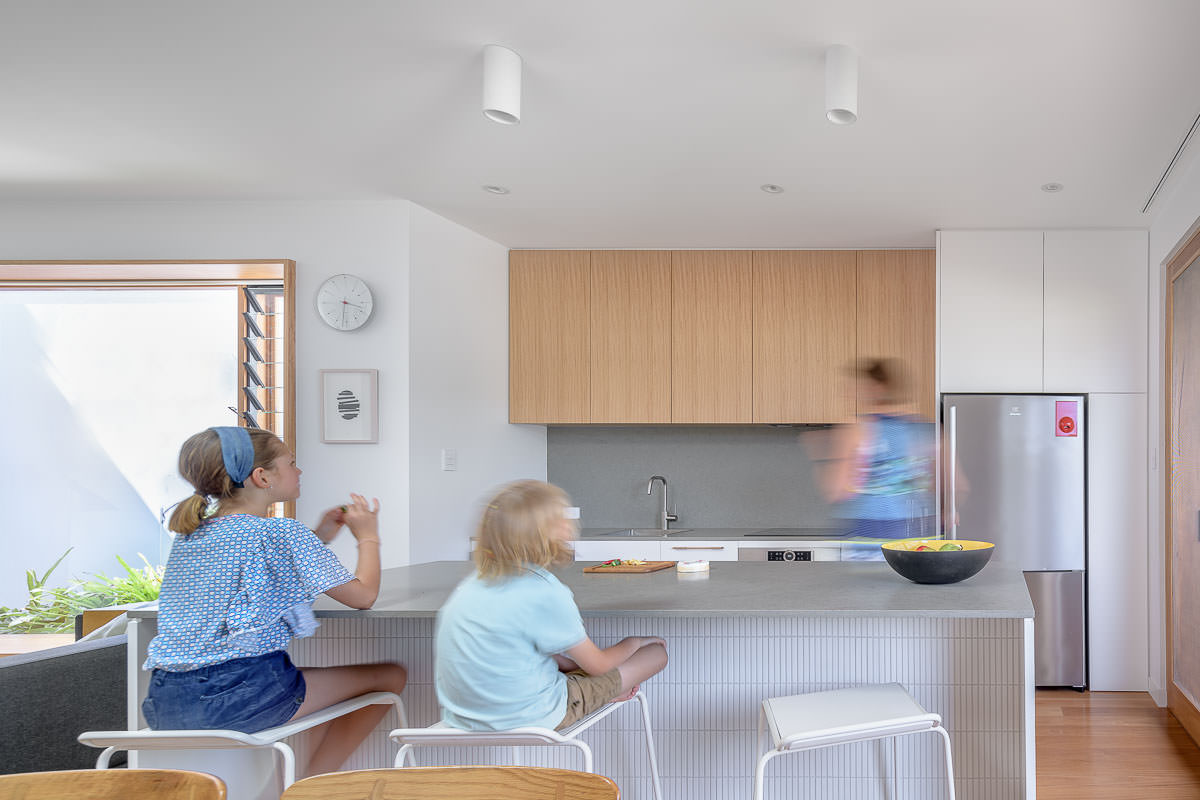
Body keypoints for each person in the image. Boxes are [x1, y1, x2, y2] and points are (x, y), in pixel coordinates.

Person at [141, 426, 407, 776]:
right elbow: (363, 595)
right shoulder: (282, 532)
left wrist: (323, 533)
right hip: (241, 696)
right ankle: (311, 787)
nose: (299, 471)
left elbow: (261, 563)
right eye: (291, 462)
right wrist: (368, 536)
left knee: (303, 684)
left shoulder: (190, 535)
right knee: (391, 677)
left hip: (165, 702)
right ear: (262, 476)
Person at [435, 479, 668, 732]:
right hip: (535, 716)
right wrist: (634, 642)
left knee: (571, 670)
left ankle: (593, 692)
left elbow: (511, 645)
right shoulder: (545, 590)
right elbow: (598, 665)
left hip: (461, 719)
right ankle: (600, 695)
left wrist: (571, 667)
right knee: (656, 653)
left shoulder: (469, 586)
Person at [823, 359, 939, 557]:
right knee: (915, 586)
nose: (848, 394)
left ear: (876, 388)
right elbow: (940, 485)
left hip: (871, 533)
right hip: (917, 532)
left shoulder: (858, 429)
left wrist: (822, 457)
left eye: (854, 387)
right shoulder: (920, 427)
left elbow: (837, 491)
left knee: (871, 587)